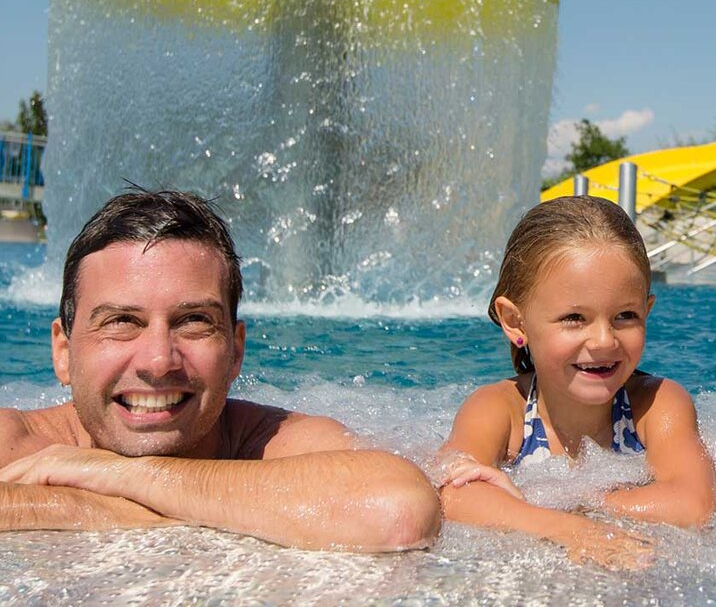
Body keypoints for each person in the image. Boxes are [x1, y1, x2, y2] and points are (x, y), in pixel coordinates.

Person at [0, 189, 440, 551]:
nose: (158, 361)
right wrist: (95, 507)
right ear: (63, 351)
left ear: (234, 351)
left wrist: (115, 473)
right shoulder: (20, 442)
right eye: (121, 322)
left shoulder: (268, 440)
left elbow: (399, 511)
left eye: (193, 321)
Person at [437, 196, 716, 569]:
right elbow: (453, 496)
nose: (604, 340)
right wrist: (566, 528)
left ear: (647, 312)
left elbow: (693, 503)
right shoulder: (500, 408)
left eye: (625, 315)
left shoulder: (656, 404)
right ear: (516, 322)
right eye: (574, 318)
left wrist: (564, 502)